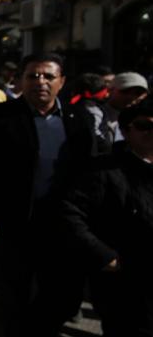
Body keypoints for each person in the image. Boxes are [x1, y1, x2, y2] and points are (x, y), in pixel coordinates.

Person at [0, 52, 90, 336]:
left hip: (62, 225)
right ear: (21, 81)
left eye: (49, 76)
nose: (41, 82)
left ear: (61, 82)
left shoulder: (78, 120)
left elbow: (88, 173)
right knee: (14, 294)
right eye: (33, 75)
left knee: (61, 295)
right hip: (13, 223)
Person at [60, 98, 153, 337]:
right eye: (144, 125)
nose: (150, 132)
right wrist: (103, 255)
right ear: (125, 130)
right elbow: (71, 213)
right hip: (123, 282)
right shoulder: (103, 171)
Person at [100, 72, 148, 150]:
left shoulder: (146, 119)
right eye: (125, 91)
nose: (131, 96)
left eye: (138, 93)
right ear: (110, 90)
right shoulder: (95, 115)